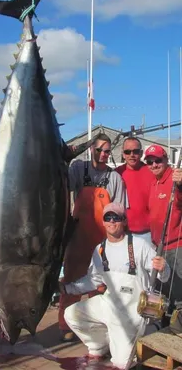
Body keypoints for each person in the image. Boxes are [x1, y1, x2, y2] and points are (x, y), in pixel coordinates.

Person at [62, 202, 170, 369]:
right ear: (103, 222)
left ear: (124, 221)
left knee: (122, 364)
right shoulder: (100, 249)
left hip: (133, 311)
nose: (112, 221)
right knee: (71, 314)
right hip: (109, 303)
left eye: (116, 218)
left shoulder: (140, 245)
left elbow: (164, 277)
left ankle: (142, 334)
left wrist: (164, 268)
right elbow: (93, 280)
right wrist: (66, 288)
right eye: (108, 217)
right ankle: (98, 346)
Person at [58, 133, 126, 341]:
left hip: (103, 240)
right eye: (99, 150)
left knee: (100, 285)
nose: (104, 154)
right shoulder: (78, 169)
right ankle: (67, 326)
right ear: (91, 149)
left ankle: (97, 326)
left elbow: (121, 212)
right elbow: (63, 183)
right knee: (72, 281)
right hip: (77, 239)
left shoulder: (115, 178)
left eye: (107, 151)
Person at [145, 144, 182, 321]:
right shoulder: (154, 182)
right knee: (163, 295)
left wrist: (181, 184)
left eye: (157, 160)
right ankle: (168, 327)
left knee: (179, 295)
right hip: (158, 248)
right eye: (150, 161)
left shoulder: (175, 179)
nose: (153, 165)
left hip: (176, 248)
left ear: (166, 160)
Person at [115, 137, 155, 243]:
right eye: (128, 152)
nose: (132, 155)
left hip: (149, 233)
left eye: (136, 151)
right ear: (123, 154)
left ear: (141, 153)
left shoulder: (153, 171)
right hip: (124, 232)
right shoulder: (116, 174)